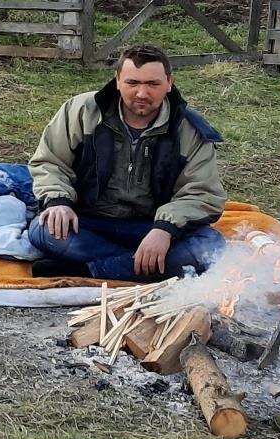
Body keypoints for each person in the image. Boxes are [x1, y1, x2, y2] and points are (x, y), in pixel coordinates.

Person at [25, 44, 226, 281]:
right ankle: (140, 267)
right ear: (118, 79)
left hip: (150, 226)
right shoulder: (81, 111)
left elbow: (202, 193)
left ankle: (90, 271)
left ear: (170, 82)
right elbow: (50, 162)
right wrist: (59, 201)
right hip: (88, 222)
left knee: (211, 245)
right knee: (44, 229)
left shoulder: (189, 129)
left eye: (153, 84)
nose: (142, 93)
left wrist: (165, 229)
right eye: (133, 83)